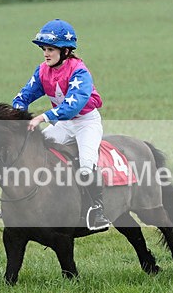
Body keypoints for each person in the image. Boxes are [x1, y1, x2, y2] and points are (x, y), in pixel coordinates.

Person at [12, 19, 110, 231]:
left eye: (50, 49)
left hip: (85, 122)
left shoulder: (80, 72)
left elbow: (72, 107)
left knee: (86, 166)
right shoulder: (42, 71)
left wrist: (42, 117)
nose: (46, 54)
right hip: (64, 124)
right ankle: (27, 204)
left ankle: (97, 210)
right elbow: (23, 96)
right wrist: (18, 116)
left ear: (65, 51)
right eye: (44, 49)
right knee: (34, 152)